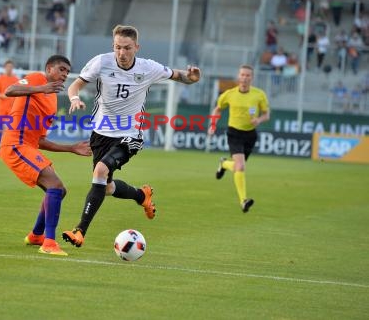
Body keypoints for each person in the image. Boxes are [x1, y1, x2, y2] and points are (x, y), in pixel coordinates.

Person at [61, 25, 201, 248]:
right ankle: (141, 196)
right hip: (101, 133)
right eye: (117, 47)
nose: (122, 53)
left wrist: (190, 78)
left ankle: (80, 230)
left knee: (100, 171)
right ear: (113, 46)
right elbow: (75, 85)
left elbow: (178, 75)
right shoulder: (101, 62)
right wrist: (74, 98)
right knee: (105, 187)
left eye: (127, 48)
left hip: (130, 134)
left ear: (137, 47)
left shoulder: (148, 67)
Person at [0, 55, 91, 256]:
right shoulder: (36, 79)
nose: (65, 74)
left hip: (28, 147)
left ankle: (36, 235)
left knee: (59, 190)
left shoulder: (53, 99)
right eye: (61, 69)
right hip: (14, 144)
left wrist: (71, 148)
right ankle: (48, 243)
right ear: (49, 68)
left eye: (67, 71)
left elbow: (40, 139)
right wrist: (41, 88)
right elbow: (9, 90)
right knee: (55, 186)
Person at [208, 65, 270, 213]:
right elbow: (217, 109)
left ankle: (223, 164)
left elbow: (266, 114)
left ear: (252, 78)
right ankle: (243, 200)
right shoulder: (229, 94)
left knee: (237, 167)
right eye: (242, 75)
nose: (244, 78)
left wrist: (259, 120)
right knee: (241, 167)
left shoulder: (259, 95)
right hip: (234, 133)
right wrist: (212, 124)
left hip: (250, 135)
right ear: (238, 76)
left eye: (248, 75)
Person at [0, 60, 18, 158]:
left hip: (12, 109)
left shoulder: (16, 79)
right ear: (5, 68)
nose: (9, 69)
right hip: (1, 109)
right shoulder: (0, 79)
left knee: (12, 131)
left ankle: (9, 150)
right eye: (8, 67)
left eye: (11, 67)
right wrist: (5, 95)